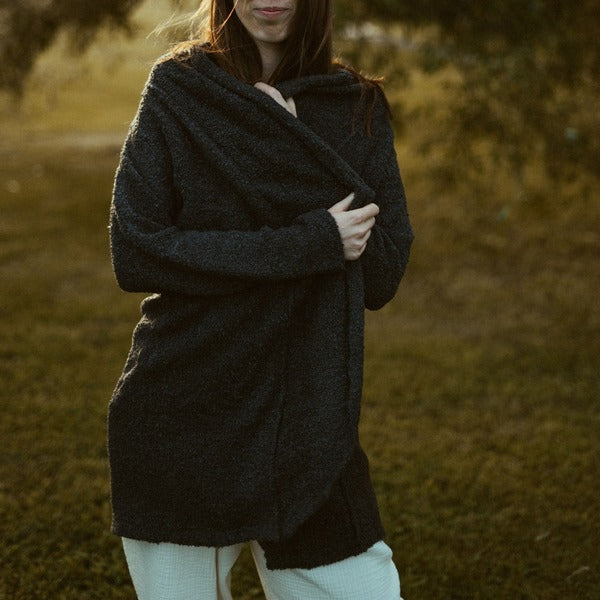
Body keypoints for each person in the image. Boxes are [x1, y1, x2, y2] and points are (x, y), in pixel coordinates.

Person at [107, 0, 413, 598]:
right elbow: (136, 250)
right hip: (184, 411)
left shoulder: (355, 105)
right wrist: (310, 242)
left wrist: (292, 147)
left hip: (309, 423)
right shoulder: (181, 90)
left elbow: (381, 275)